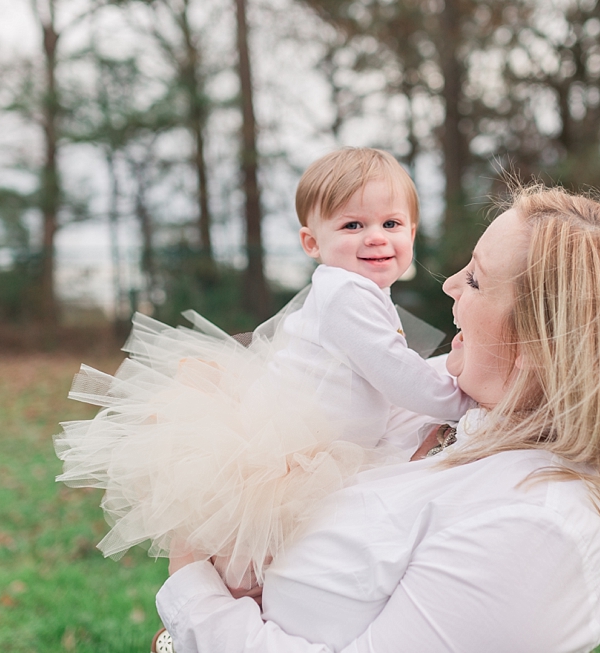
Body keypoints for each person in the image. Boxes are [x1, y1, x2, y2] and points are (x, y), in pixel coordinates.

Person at [155, 184, 600, 652]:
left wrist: (190, 589)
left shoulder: (534, 527)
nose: (449, 284)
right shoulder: (433, 393)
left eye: (475, 280)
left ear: (536, 345)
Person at [54, 148, 473, 590]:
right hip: (293, 451)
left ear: (412, 231)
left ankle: (215, 608)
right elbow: (397, 373)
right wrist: (461, 397)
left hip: (314, 440)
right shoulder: (347, 293)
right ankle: (213, 619)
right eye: (353, 225)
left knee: (270, 557)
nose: (375, 237)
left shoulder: (356, 289)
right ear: (312, 242)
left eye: (391, 223)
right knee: (254, 564)